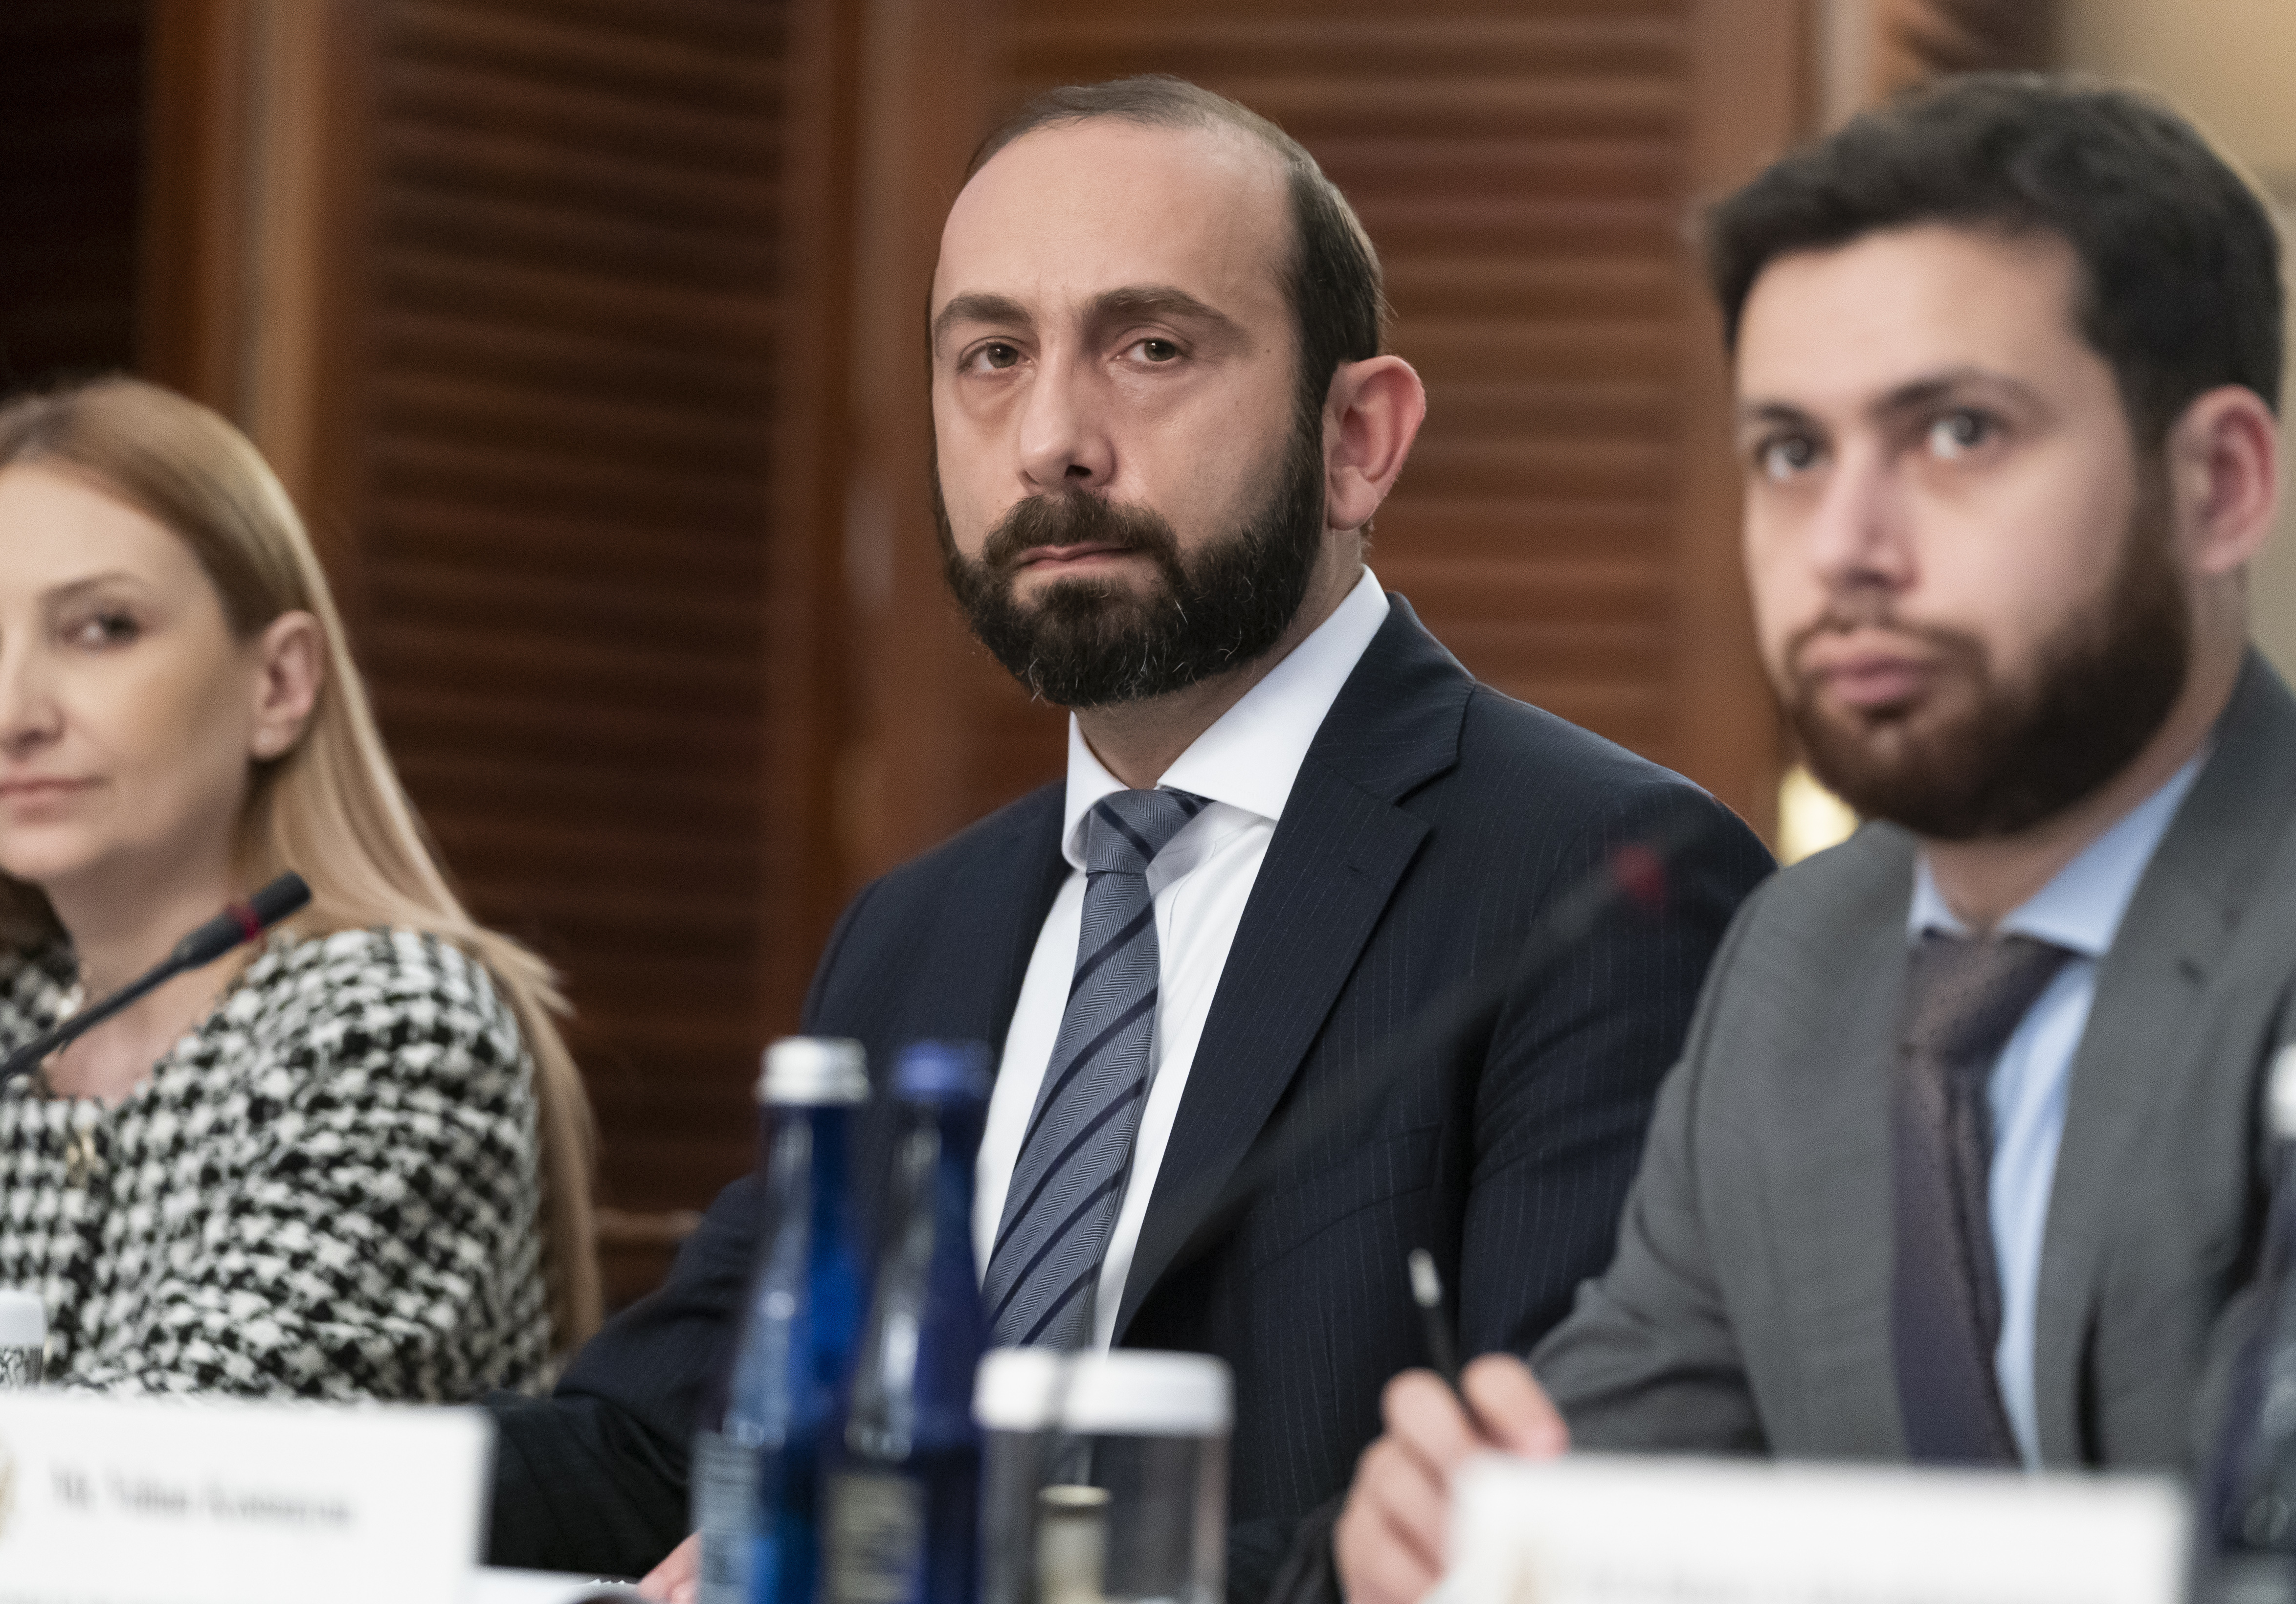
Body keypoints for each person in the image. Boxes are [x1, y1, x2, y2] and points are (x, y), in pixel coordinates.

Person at [484, 76, 1776, 1601]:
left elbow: (1532, 1530)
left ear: (1359, 437)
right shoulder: (914, 931)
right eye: (991, 357)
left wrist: (941, 1569)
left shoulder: (1600, 882)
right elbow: (667, 1446)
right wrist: (222, 1480)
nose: (1051, 440)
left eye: (1151, 347)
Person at [1332, 72, 2296, 1604]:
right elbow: (1618, 1477)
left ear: (2219, 484)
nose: (1847, 548)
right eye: (1791, 453)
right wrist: (1480, 1531)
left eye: (1960, 432)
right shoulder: (1802, 954)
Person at [0, 376, 603, 1398]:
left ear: (279, 684)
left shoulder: (395, 1030)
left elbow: (163, 1471)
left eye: (100, 627)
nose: (11, 712)